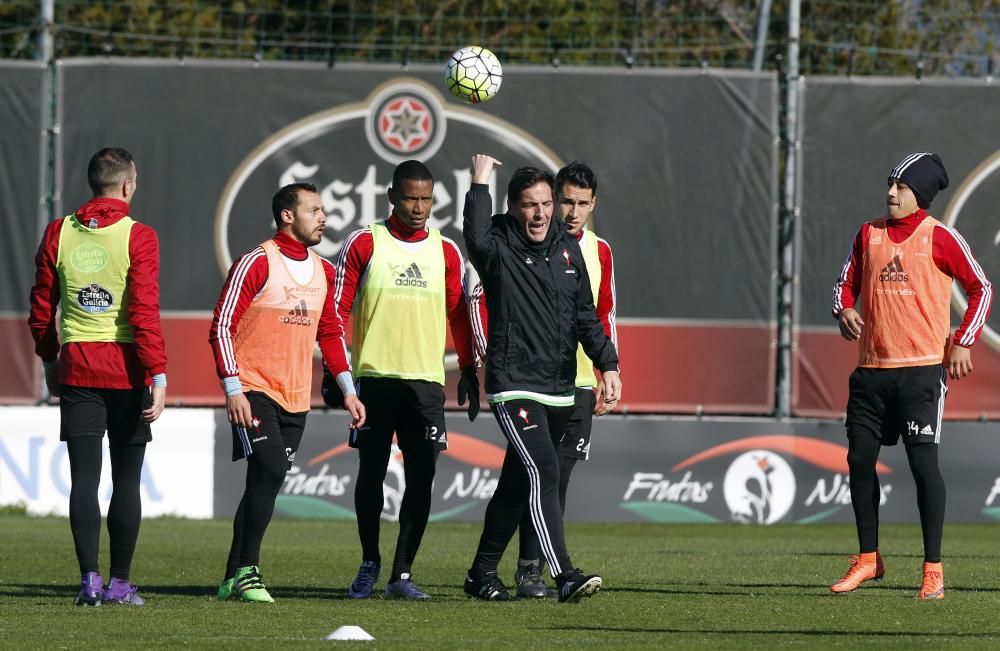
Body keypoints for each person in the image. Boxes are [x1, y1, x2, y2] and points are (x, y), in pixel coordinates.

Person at [830, 152, 992, 599]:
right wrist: (843, 309)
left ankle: (933, 570)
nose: (890, 193)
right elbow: (844, 282)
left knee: (923, 466)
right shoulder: (868, 234)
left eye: (900, 187)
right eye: (889, 184)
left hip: (921, 373)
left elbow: (982, 287)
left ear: (919, 194)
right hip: (871, 372)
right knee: (860, 461)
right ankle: (868, 559)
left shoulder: (940, 238)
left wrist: (963, 340)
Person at [462, 154, 621, 603]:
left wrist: (608, 364)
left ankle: (480, 573)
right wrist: (479, 182)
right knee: (545, 469)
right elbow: (473, 236)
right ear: (512, 208)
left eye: (546, 203)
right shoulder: (498, 243)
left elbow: (586, 317)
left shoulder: (569, 250)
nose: (541, 213)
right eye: (530, 205)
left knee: (517, 485)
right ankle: (563, 573)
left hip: (559, 387)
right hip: (513, 383)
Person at [209, 182, 365, 603]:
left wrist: (348, 390)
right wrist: (233, 388)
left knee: (264, 480)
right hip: (253, 390)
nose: (324, 218)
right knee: (272, 470)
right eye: (315, 210)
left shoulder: (325, 271)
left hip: (296, 398)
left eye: (323, 210)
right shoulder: (257, 262)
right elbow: (221, 326)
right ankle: (248, 572)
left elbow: (331, 333)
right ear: (287, 216)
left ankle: (230, 577)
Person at [333, 160, 478, 600]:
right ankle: (369, 562)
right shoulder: (363, 242)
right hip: (373, 381)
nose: (419, 207)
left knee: (421, 479)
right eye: (411, 197)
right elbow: (335, 311)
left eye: (427, 199)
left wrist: (470, 369)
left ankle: (402, 575)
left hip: (425, 385)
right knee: (370, 475)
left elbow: (459, 314)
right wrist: (335, 374)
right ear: (392, 196)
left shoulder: (447, 251)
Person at [28, 147, 167, 607]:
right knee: (127, 481)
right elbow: (144, 312)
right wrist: (159, 373)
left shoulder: (59, 231)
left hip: (79, 370)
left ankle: (89, 580)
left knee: (84, 480)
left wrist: (50, 360)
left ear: (92, 184)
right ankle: (120, 583)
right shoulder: (139, 236)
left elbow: (42, 309)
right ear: (128, 185)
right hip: (127, 371)